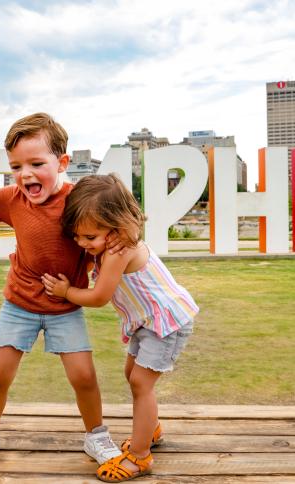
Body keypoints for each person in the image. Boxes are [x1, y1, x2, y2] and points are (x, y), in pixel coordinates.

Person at [0, 113, 122, 470]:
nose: (25, 173)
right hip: (20, 304)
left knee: (84, 377)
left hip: (65, 305)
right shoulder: (13, 198)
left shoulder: (79, 202)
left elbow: (114, 230)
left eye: (36, 163)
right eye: (16, 166)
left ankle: (97, 435)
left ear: (62, 162)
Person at [42, 174, 199, 482]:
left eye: (89, 237)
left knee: (141, 383)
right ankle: (149, 428)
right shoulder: (111, 243)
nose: (82, 244)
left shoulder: (118, 250)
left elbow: (99, 296)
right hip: (147, 322)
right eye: (77, 237)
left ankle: (140, 457)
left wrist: (65, 293)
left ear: (116, 226)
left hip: (165, 323)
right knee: (133, 376)